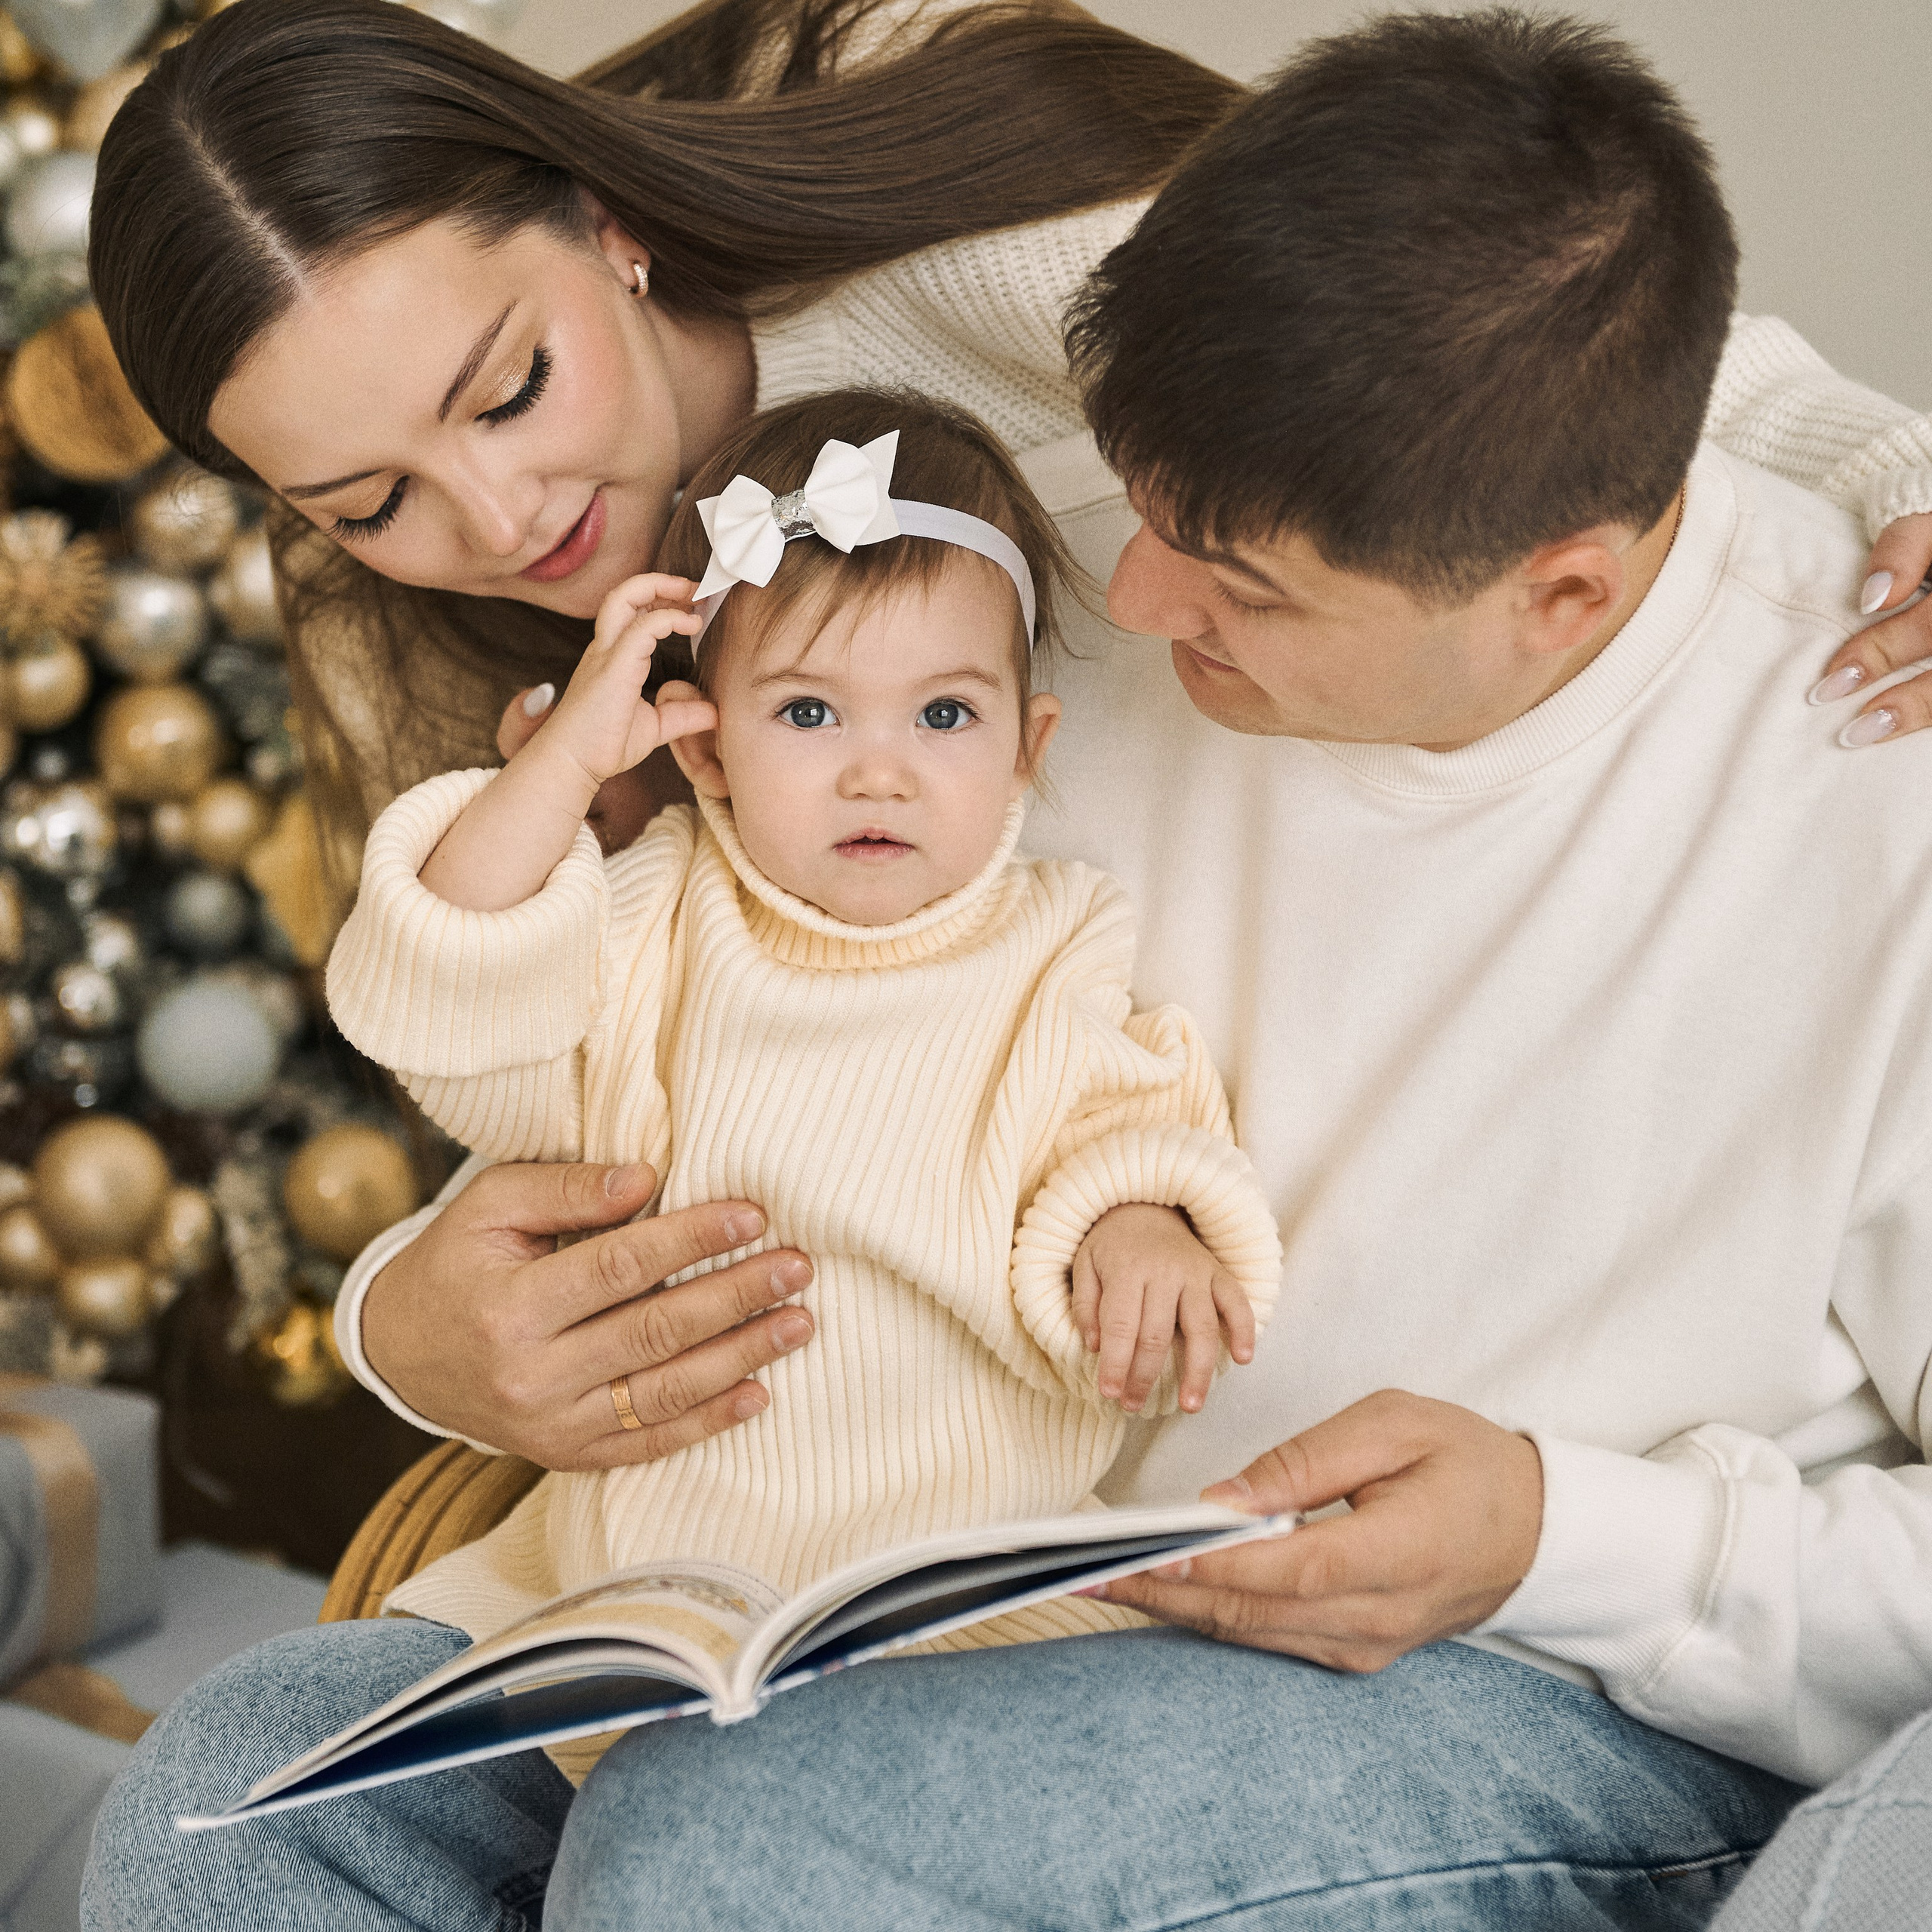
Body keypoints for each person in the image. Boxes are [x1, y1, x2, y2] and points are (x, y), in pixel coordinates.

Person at [79, 3, 1932, 1927]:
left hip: (1530, 1686)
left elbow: (1649, 354)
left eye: (1233, 573)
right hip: (967, 1586)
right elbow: (702, 1040)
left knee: (742, 1838)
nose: (1118, 605)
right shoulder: (1000, 594)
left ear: (1559, 588)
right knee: (223, 1804)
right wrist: (406, 1305)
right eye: (1135, 506)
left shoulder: (1874, 792)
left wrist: (1564, 1536)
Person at [322, 389, 1277, 1784]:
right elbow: (453, 1018)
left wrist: (1137, 1227)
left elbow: (1123, 1127)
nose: (879, 769)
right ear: (704, 744)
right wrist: (562, 765)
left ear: (1029, 745)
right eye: (812, 711)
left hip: (948, 1611)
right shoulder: (657, 919)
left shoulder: (1053, 944)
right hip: (637, 1601)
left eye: (945, 713)